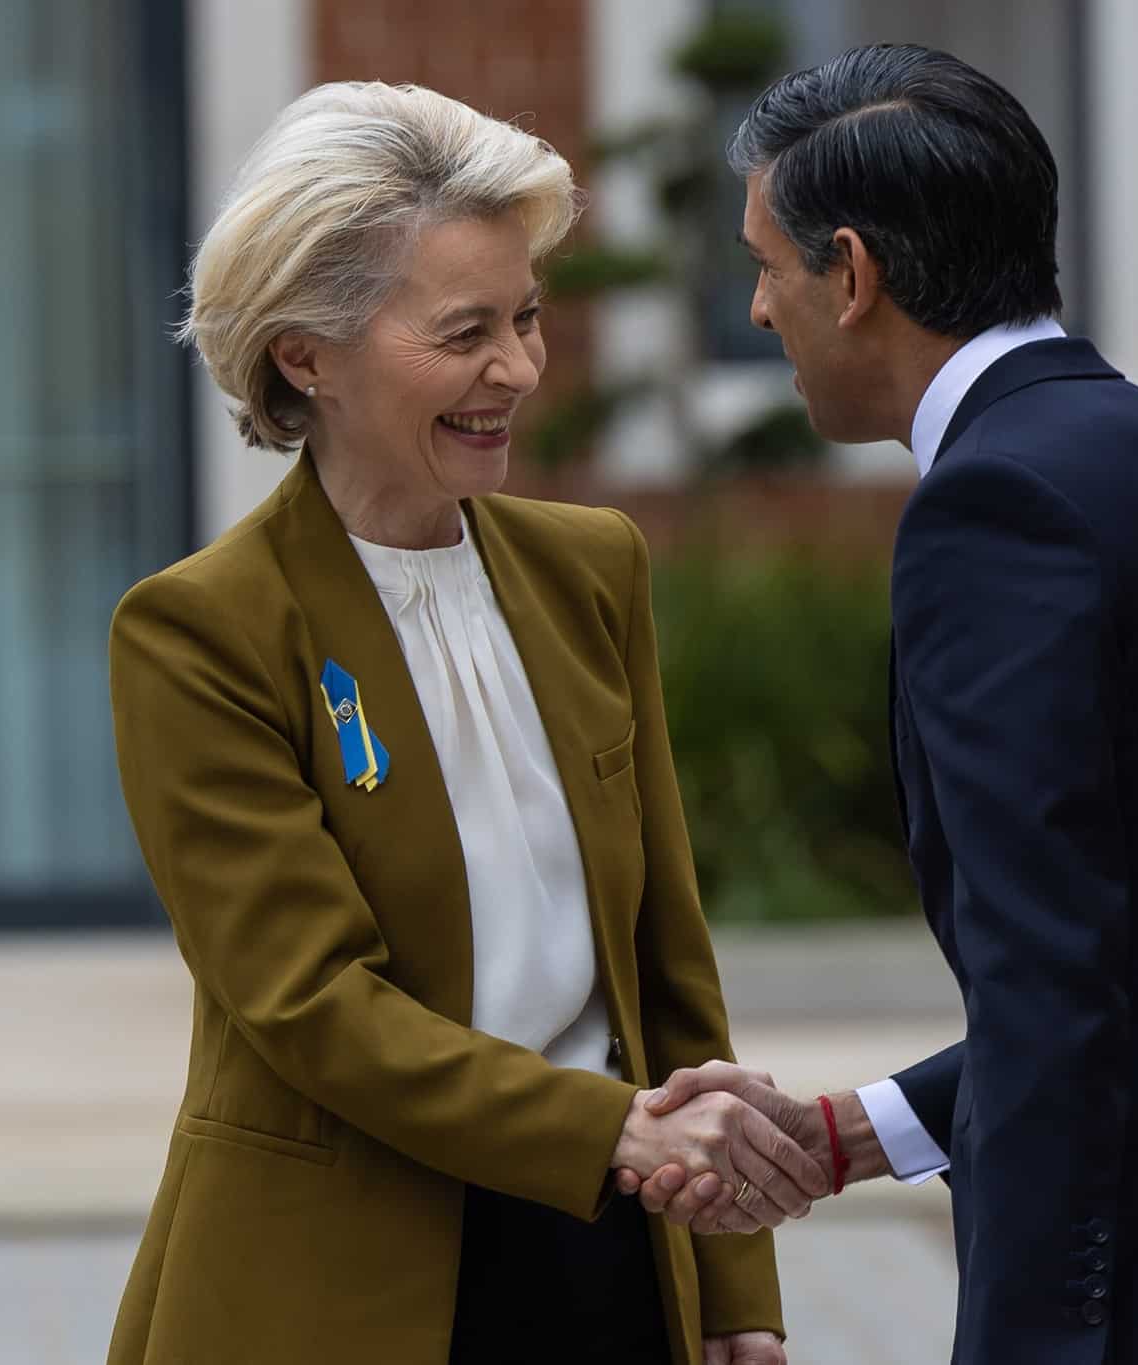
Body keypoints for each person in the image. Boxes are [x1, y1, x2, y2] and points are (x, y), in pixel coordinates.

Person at [620, 44, 1138, 1365]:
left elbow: (1055, 976)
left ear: (852, 277)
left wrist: (1027, 1333)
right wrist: (861, 1131)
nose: (753, 310)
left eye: (765, 264)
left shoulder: (992, 510)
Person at [105, 81, 816, 1365]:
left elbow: (665, 962)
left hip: (605, 1245)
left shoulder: (590, 567)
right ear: (303, 354)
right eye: (463, 331)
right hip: (336, 1281)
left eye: (528, 318)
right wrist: (604, 1132)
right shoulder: (200, 631)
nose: (518, 370)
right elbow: (312, 1003)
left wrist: (731, 1287)